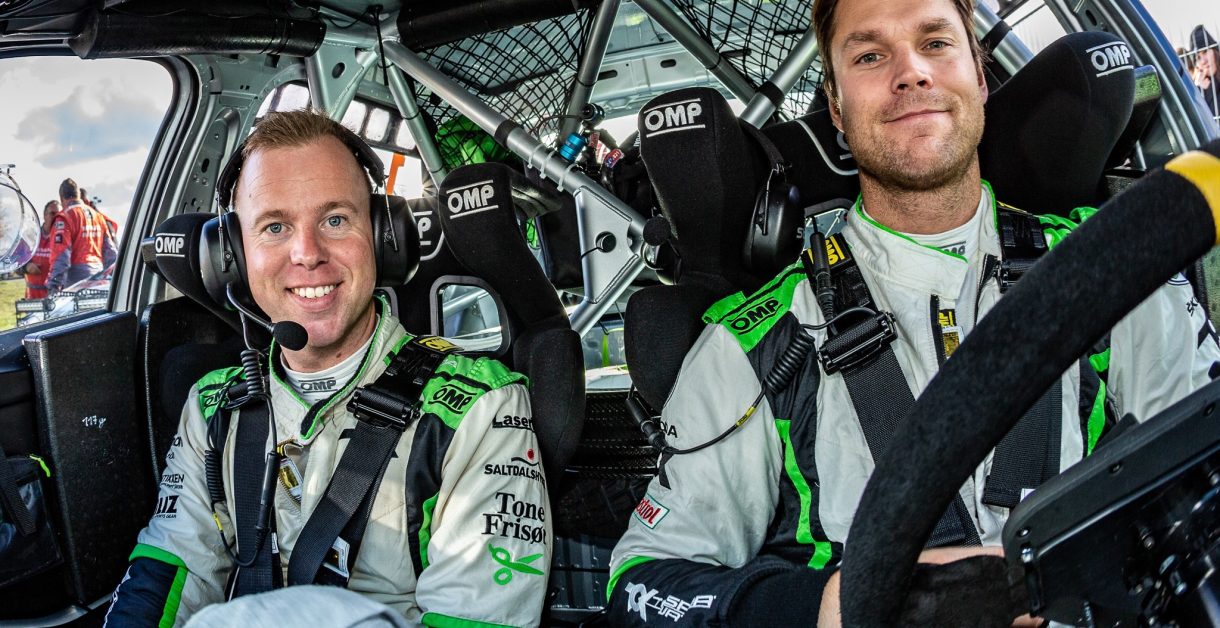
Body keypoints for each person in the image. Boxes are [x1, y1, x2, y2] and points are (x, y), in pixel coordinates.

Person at [605, 0, 1220, 626]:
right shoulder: (753, 344)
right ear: (837, 107)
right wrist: (829, 606)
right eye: (871, 55)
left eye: (935, 43)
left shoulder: (1114, 269)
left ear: (978, 74)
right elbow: (639, 585)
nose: (911, 73)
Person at [104, 110, 551, 626]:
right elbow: (170, 569)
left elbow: (477, 618)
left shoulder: (478, 408)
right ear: (234, 256)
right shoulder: (212, 405)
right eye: (274, 227)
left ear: (383, 236)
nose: (307, 253)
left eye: (335, 220)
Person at [47, 178, 117, 293]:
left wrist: (54, 285)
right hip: (98, 278)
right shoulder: (98, 217)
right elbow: (111, 254)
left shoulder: (64, 217)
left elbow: (61, 255)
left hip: (75, 282)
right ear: (78, 195)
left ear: (62, 198)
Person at [21, 200, 59, 299]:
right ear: (44, 215)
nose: (56, 217)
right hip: (32, 298)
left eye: (59, 214)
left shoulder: (63, 238)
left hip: (54, 297)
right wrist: (26, 267)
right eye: (52, 214)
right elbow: (16, 261)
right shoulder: (32, 236)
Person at [1190, 25, 1218, 118]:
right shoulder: (1200, 90)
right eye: (1198, 58)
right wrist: (1199, 91)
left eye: (1205, 51)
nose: (1203, 61)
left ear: (1215, 50)